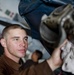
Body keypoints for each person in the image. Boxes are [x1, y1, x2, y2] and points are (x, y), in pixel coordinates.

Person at [0, 24, 67, 75]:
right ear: (3, 42)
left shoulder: (20, 64)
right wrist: (52, 63)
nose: (23, 44)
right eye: (16, 39)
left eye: (25, 39)